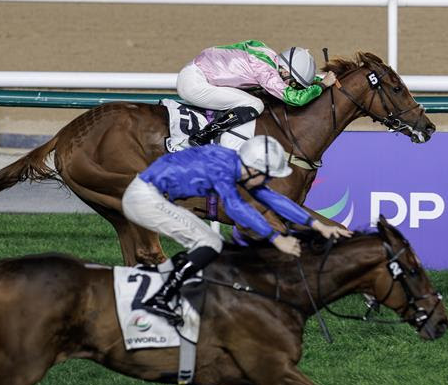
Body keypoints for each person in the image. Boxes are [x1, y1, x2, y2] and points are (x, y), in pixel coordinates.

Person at [121, 135, 352, 324]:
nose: (268, 181)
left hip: (149, 195)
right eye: (268, 176)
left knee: (209, 243)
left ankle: (168, 292)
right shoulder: (222, 167)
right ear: (255, 169)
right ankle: (160, 298)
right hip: (145, 198)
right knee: (210, 243)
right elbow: (234, 207)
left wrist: (318, 225)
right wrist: (275, 238)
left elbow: (272, 198)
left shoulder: (237, 165)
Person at [176, 40, 338, 146]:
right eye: (293, 83)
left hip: (197, 73)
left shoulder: (268, 54)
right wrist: (322, 85)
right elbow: (294, 99)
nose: (291, 86)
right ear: (286, 71)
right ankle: (201, 137)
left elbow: (295, 81)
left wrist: (317, 80)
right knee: (256, 104)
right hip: (194, 84)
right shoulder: (266, 72)